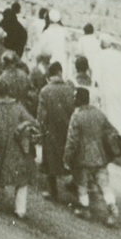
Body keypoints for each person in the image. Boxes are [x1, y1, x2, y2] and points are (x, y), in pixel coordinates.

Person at [64, 86, 121, 226]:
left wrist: (67, 158)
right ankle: (112, 209)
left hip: (82, 158)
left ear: (78, 100)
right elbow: (112, 131)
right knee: (104, 185)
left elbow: (72, 141)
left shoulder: (77, 116)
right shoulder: (99, 114)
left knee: (82, 184)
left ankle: (84, 209)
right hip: (100, 157)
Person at [0, 75, 37, 220]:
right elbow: (32, 122)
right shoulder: (18, 106)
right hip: (19, 147)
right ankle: (20, 209)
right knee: (21, 178)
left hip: (1, 148)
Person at [36, 62, 75, 203]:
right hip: (67, 128)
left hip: (51, 130)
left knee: (50, 159)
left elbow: (41, 115)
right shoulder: (70, 89)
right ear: (60, 72)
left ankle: (53, 192)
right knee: (67, 157)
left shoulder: (45, 90)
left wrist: (41, 131)